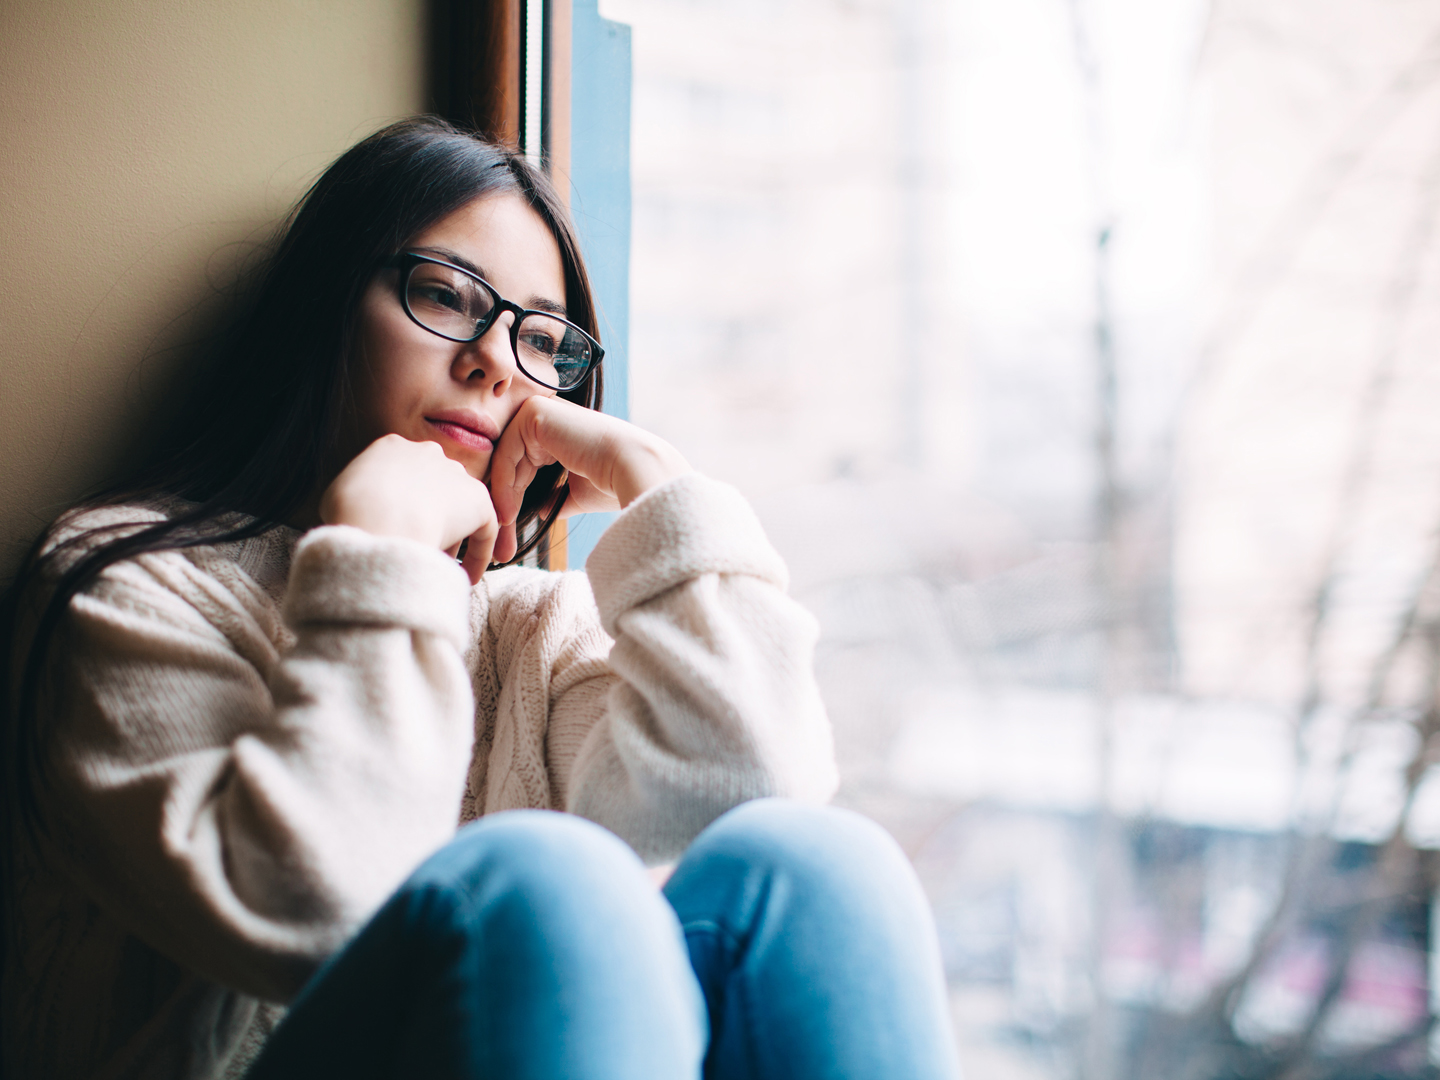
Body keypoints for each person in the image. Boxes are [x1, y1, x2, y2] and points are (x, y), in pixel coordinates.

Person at [0, 117, 962, 1080]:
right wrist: (379, 555)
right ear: (329, 304)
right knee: (552, 877)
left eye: (542, 339)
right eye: (447, 296)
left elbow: (744, 792)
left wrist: (655, 484)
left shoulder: (534, 625)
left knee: (826, 868)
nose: (496, 361)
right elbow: (310, 915)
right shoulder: (124, 581)